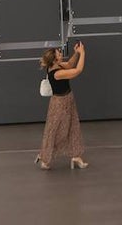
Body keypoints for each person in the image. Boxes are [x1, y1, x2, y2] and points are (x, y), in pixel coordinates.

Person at [36, 41, 88, 170]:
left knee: (73, 126)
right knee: (55, 131)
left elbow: (70, 64)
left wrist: (76, 53)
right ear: (54, 59)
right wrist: (83, 53)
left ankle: (76, 155)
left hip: (68, 99)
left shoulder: (56, 66)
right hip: (59, 104)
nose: (61, 53)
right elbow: (77, 70)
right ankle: (45, 157)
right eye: (59, 53)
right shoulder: (57, 73)